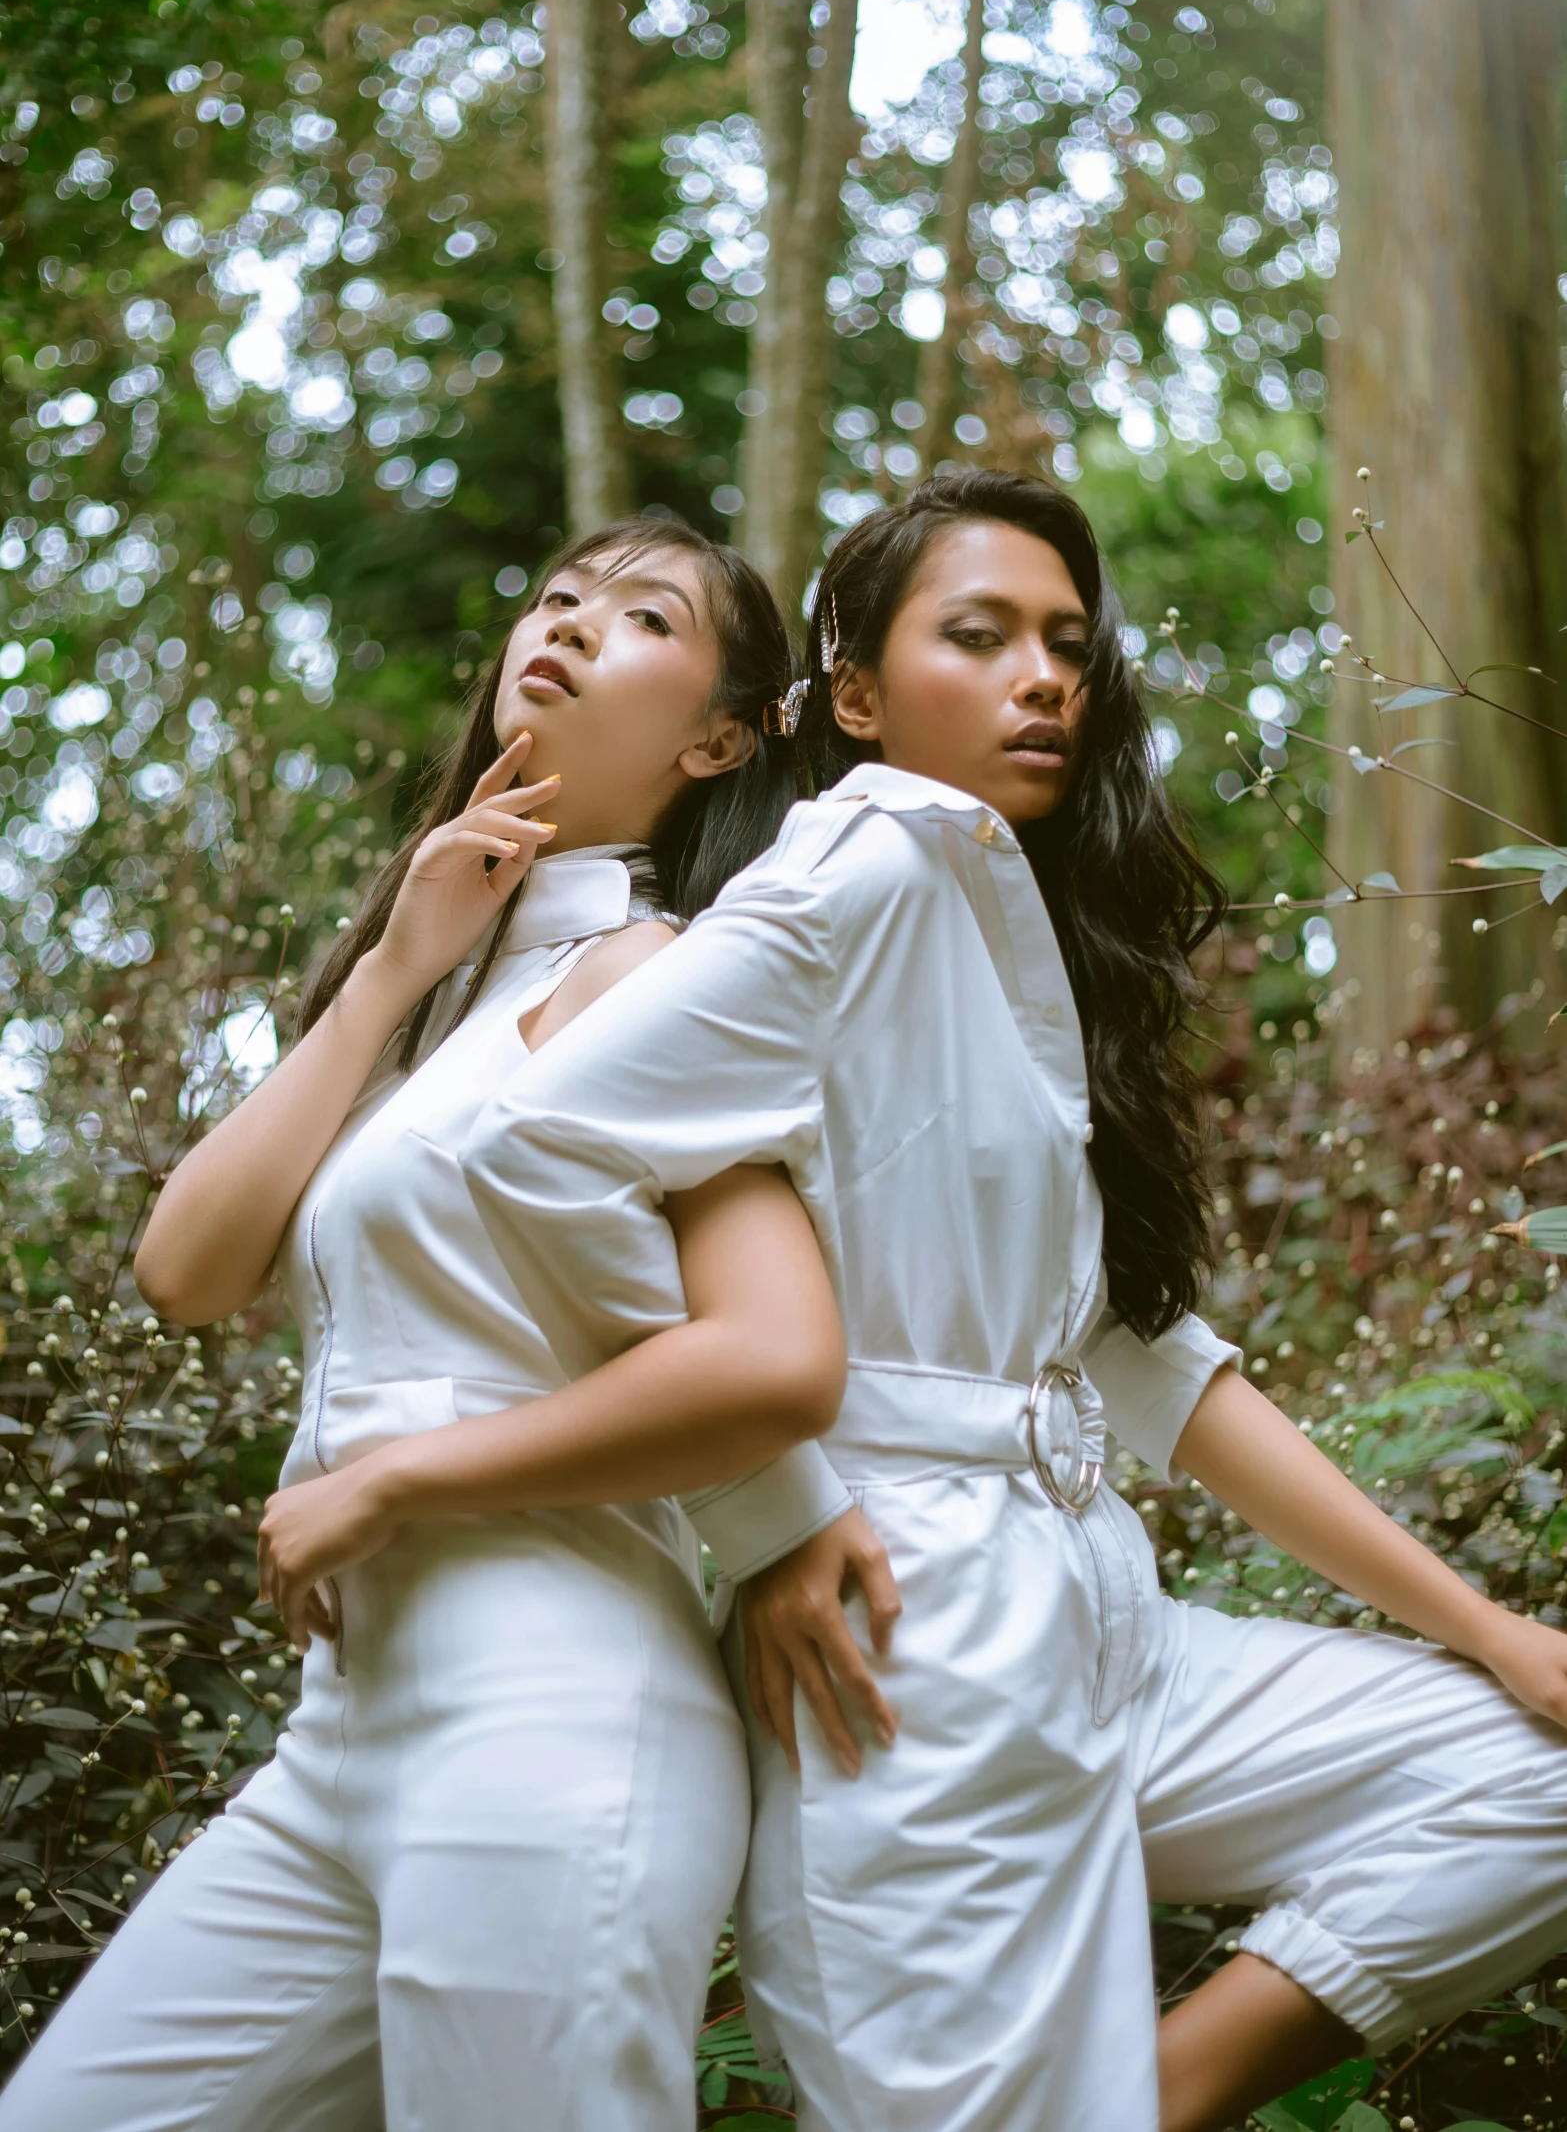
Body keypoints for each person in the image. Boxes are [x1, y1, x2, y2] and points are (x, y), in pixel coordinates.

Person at [459, 469, 1567, 2132]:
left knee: (1538, 1773)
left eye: (1064, 641)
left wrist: (1492, 1634)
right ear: (853, 695)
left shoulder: (1007, 927)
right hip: (906, 1634)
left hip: (1103, 1613)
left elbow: (1152, 1370)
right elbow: (547, 1155)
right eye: (976, 637)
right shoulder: (861, 861)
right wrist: (769, 1511)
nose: (1043, 674)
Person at [0, 520, 846, 2132]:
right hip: (345, 1730)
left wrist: (396, 1478)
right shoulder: (435, 993)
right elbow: (186, 1265)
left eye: (643, 614)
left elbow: (767, 1355)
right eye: (556, 595)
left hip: (555, 1700)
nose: (573, 622)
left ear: (720, 736)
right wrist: (391, 967)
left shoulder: (661, 971)